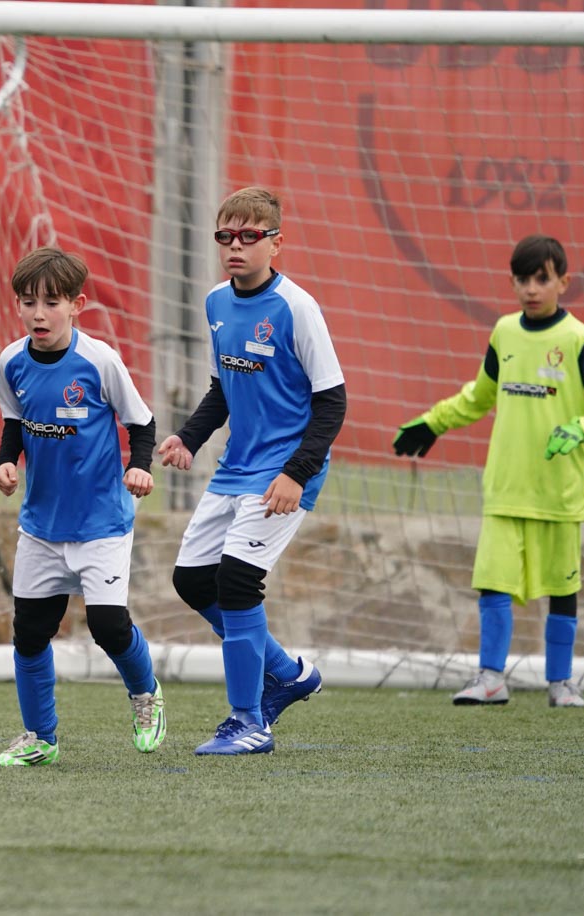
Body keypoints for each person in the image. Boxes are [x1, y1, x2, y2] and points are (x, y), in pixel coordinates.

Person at [157, 186, 346, 756]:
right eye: (225, 237)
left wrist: (295, 473)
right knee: (192, 580)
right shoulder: (216, 302)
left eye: (249, 236)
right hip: (235, 467)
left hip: (285, 472)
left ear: (276, 243)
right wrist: (188, 438)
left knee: (238, 584)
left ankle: (248, 722)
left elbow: (332, 402)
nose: (235, 246)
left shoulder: (297, 308)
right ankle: (286, 672)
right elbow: (223, 388)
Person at [392, 234, 584, 709]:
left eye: (542, 278)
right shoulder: (505, 332)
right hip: (506, 488)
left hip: (558, 492)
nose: (531, 288)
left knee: (563, 588)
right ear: (512, 282)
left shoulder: (578, 340)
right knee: (492, 582)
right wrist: (435, 421)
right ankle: (491, 678)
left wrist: (582, 427)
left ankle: (561, 683)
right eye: (522, 279)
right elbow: (479, 395)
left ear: (563, 282)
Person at [0, 246, 167, 767]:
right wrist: (7, 463)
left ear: (77, 304)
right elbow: (14, 425)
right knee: (29, 633)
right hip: (42, 525)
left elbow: (142, 422)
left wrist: (140, 467)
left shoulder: (99, 361)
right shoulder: (10, 362)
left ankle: (146, 697)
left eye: (50, 302)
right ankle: (40, 737)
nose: (37, 313)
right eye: (27, 302)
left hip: (101, 524)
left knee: (109, 627)